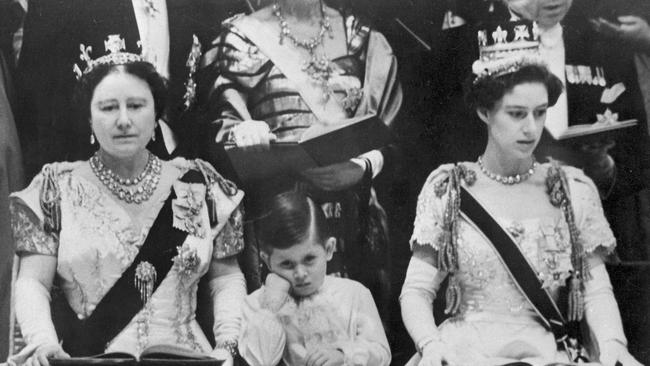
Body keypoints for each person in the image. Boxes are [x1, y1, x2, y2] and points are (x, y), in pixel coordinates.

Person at [400, 25, 642, 365]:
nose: (531, 128)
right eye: (516, 114)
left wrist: (613, 344)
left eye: (540, 113)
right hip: (465, 353)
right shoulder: (449, 190)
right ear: (485, 112)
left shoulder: (571, 191)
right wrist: (430, 344)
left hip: (549, 354)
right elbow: (416, 291)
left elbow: (596, 291)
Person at [7, 45, 246, 366]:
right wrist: (43, 342)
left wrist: (228, 344)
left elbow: (226, 278)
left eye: (136, 106)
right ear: (89, 118)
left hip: (188, 359)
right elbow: (32, 281)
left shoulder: (199, 183)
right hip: (89, 358)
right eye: (108, 108)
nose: (123, 120)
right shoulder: (56, 188)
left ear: (156, 113)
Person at [200, 0, 401, 307]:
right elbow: (222, 125)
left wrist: (362, 167)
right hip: (279, 221)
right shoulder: (241, 38)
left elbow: (389, 131)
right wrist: (243, 132)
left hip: (353, 217)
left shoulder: (361, 37)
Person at [238, 190, 390, 366]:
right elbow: (261, 361)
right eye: (287, 264)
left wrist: (344, 354)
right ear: (268, 261)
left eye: (309, 259)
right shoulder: (256, 305)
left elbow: (381, 353)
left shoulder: (354, 293)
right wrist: (271, 304)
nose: (300, 273)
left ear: (328, 249)